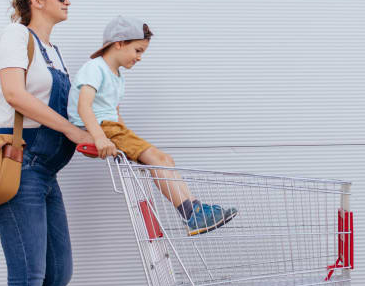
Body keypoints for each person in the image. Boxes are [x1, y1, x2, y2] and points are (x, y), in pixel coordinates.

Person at [0, 0, 93, 286]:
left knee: (57, 273)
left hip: (45, 172)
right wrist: (69, 129)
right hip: (20, 165)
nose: (67, 0)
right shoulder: (16, 35)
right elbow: (15, 94)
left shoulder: (54, 54)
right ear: (36, 1)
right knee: (27, 279)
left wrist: (96, 133)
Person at [67, 15, 238, 236]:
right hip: (100, 127)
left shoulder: (117, 76)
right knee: (158, 160)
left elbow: (115, 112)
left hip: (113, 128)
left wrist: (130, 141)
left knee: (165, 160)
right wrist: (99, 137)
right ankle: (191, 215)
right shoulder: (95, 67)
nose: (139, 58)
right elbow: (84, 106)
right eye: (138, 50)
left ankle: (194, 206)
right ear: (118, 43)